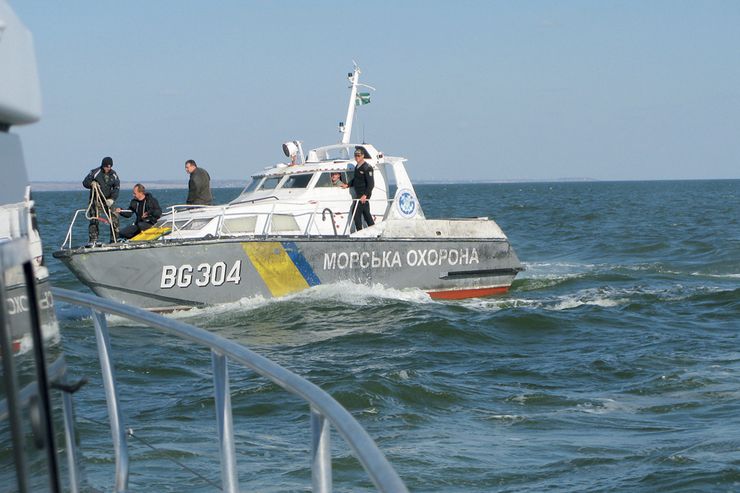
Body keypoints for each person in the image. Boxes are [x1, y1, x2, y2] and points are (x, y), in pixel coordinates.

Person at [83, 156, 120, 243]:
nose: (108, 168)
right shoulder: (95, 172)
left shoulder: (114, 174)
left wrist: (112, 199)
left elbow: (116, 188)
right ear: (103, 165)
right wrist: (92, 183)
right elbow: (85, 183)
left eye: (110, 166)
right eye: (106, 166)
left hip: (108, 200)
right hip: (96, 200)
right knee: (94, 219)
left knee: (115, 218)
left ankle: (114, 239)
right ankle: (93, 241)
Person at [342, 147, 375, 231]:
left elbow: (371, 184)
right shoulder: (357, 166)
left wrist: (365, 195)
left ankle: (360, 231)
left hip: (363, 195)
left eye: (359, 155)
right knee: (366, 214)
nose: (357, 157)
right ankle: (374, 231)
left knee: (356, 213)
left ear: (363, 156)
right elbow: (356, 179)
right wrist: (348, 185)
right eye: (355, 155)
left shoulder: (367, 167)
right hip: (359, 194)